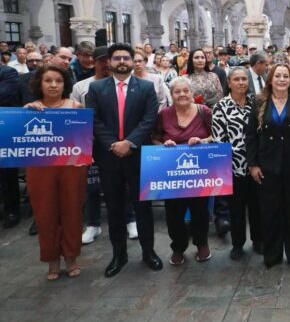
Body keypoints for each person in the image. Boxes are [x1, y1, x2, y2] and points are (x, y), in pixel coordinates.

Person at [86, 43, 162, 278]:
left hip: (138, 156)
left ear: (132, 61)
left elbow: (149, 119)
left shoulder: (146, 87)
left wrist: (129, 142)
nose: (122, 62)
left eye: (126, 58)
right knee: (115, 207)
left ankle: (148, 252)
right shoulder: (96, 88)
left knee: (143, 207)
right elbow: (94, 120)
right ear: (109, 62)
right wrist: (114, 144)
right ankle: (119, 255)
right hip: (109, 157)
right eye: (117, 58)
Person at [24, 65, 88, 280]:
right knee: (45, 214)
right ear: (39, 84)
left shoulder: (75, 106)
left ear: (65, 84)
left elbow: (85, 138)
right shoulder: (29, 109)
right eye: (48, 80)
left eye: (58, 81)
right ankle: (51, 259)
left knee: (72, 211)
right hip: (40, 168)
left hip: (72, 167)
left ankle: (71, 257)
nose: (53, 85)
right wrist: (25, 113)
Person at [247, 64, 290, 269]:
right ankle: (272, 254)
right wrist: (253, 164)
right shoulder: (260, 101)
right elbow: (251, 135)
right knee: (270, 212)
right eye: (278, 76)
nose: (282, 79)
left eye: (285, 76)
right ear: (270, 79)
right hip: (267, 166)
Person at [152, 77, 213, 265]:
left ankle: (202, 243)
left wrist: (202, 141)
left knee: (200, 210)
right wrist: (164, 144)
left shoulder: (204, 111)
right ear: (171, 95)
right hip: (172, 173)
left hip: (199, 171)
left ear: (192, 93)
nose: (182, 94)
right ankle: (178, 246)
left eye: (186, 90)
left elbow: (216, 135)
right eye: (177, 92)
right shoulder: (164, 114)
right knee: (173, 213)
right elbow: (154, 138)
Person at [212, 67, 263, 260]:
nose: (241, 82)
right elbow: (219, 139)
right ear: (229, 83)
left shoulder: (256, 103)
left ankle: (258, 240)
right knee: (236, 209)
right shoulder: (221, 106)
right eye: (236, 79)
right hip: (233, 167)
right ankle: (238, 243)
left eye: (244, 79)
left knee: (257, 207)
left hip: (256, 165)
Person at [0, 61, 19, 229]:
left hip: (5, 127)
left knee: (6, 173)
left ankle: (11, 210)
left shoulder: (8, 72)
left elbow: (3, 95)